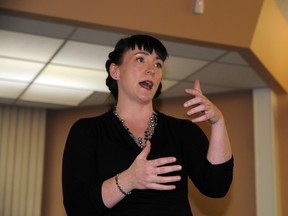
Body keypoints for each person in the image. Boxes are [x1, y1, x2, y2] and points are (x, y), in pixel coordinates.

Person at [62, 34, 233, 216]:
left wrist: (218, 122)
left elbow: (217, 187)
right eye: (140, 59)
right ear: (115, 71)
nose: (151, 70)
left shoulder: (182, 131)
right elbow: (77, 208)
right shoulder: (87, 132)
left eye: (157, 64)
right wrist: (129, 180)